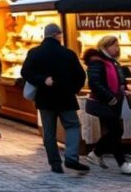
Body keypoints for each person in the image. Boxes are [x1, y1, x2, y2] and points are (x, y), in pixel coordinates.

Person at [21, 23, 88, 174]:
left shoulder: (34, 53)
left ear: (45, 35)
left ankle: (55, 163)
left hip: (45, 99)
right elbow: (80, 76)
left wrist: (42, 80)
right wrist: (73, 90)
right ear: (58, 35)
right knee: (72, 126)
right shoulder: (68, 53)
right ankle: (71, 157)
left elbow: (25, 72)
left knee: (49, 131)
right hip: (66, 98)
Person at [83, 35, 130, 174]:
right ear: (105, 46)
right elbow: (94, 83)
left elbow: (119, 80)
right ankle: (122, 163)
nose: (117, 48)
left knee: (115, 131)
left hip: (113, 102)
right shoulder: (97, 61)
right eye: (114, 45)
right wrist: (110, 97)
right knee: (116, 131)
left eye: (117, 45)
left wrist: (123, 89)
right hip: (103, 103)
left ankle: (96, 153)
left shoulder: (113, 61)